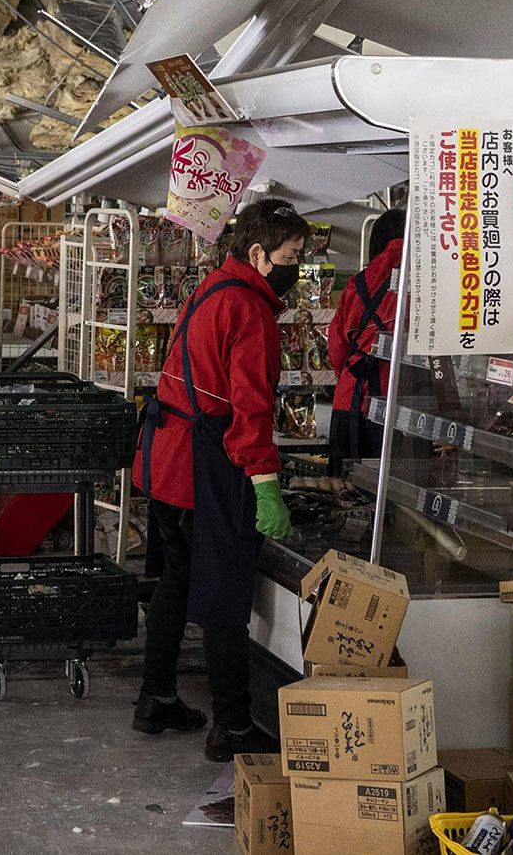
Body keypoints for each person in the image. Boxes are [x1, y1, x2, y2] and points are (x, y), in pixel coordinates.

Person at [131, 198, 309, 759]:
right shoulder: (251, 312)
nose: (295, 268)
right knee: (224, 594)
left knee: (177, 581)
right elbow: (251, 410)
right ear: (258, 253)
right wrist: (266, 483)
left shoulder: (212, 289)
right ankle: (231, 727)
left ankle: (155, 699)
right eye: (290, 256)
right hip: (204, 467)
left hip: (163, 461)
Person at [324, 208, 405, 472]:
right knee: (394, 496)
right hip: (397, 406)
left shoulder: (358, 282)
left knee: (342, 494)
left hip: (350, 399)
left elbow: (336, 346)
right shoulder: (427, 277)